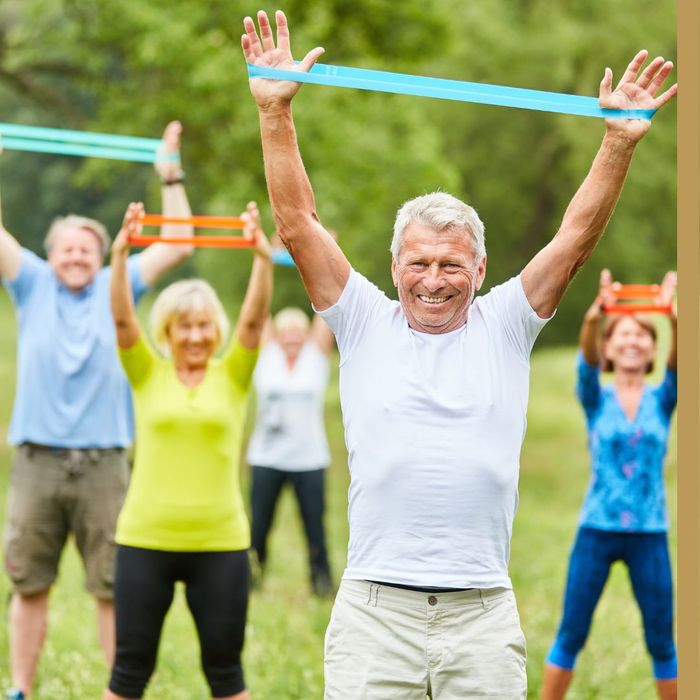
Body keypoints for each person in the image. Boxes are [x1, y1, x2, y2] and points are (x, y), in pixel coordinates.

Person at [241, 10, 677, 699]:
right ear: (393, 266)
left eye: (452, 263)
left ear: (480, 268)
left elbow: (573, 241)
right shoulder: (360, 319)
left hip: (480, 614)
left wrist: (617, 145)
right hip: (375, 612)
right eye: (419, 262)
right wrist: (274, 112)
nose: (434, 278)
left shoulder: (505, 321)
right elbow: (298, 226)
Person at [0, 121, 194, 700]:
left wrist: (171, 173)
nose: (78, 256)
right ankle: (20, 690)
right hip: (37, 461)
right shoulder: (30, 283)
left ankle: (120, 693)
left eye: (88, 247)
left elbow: (180, 241)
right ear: (50, 254)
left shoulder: (121, 282)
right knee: (28, 583)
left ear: (103, 252)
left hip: (107, 463)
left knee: (112, 587)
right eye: (68, 248)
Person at [104, 200, 272, 700]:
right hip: (144, 541)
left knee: (226, 675)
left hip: (220, 545)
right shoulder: (145, 371)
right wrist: (119, 257)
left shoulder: (234, 375)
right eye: (185, 326)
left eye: (204, 326)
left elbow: (254, 323)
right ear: (168, 331)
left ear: (215, 330)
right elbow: (120, 323)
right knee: (128, 673)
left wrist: (262, 259)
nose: (196, 336)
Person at [541, 269, 678, 700]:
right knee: (572, 631)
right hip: (596, 530)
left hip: (649, 533)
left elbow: (682, 359)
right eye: (623, 335)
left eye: (642, 334)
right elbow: (585, 358)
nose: (633, 340)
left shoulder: (664, 398)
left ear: (653, 348)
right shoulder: (595, 396)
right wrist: (594, 317)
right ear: (608, 349)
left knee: (661, 639)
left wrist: (672, 318)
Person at [246, 294, 336, 596]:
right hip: (266, 458)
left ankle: (322, 587)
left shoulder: (316, 356)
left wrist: (325, 245)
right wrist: (265, 260)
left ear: (307, 335)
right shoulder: (266, 355)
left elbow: (325, 298)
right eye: (286, 332)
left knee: (315, 529)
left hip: (309, 460)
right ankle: (250, 583)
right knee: (258, 526)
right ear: (277, 336)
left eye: (298, 332)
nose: (292, 338)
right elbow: (258, 310)